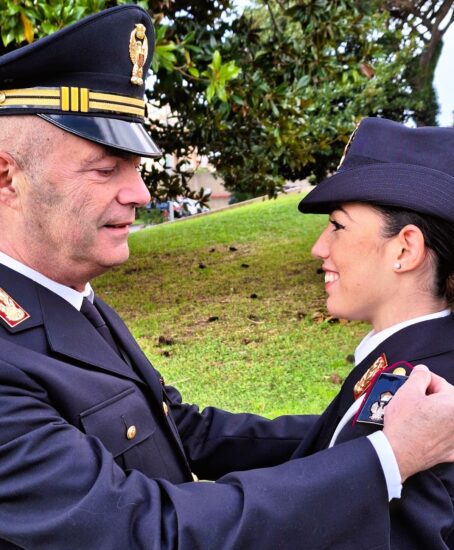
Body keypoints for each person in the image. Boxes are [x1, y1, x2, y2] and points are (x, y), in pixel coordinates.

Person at [0, 6, 453, 549]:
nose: (140, 194)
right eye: (105, 169)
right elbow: (142, 532)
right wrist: (386, 457)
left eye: (137, 168)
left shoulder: (72, 300)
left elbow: (179, 428)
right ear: (7, 177)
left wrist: (353, 428)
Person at [297, 116, 454, 548]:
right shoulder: (409, 357)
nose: (318, 248)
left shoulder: (427, 396)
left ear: (405, 248)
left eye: (337, 226)